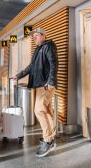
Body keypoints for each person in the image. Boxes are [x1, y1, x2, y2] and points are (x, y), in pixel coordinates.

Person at [13, 28, 58, 157]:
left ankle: (48, 140)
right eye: (34, 36)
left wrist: (51, 82)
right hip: (40, 84)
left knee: (38, 110)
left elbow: (54, 63)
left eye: (37, 36)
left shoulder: (48, 46)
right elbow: (31, 66)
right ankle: (51, 136)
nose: (35, 38)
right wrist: (19, 75)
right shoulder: (39, 48)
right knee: (47, 110)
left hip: (46, 85)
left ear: (44, 36)